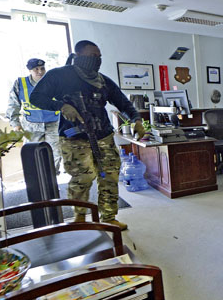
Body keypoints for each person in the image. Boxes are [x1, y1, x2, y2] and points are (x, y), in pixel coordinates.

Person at [30, 40, 145, 231]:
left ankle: (109, 217)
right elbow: (36, 97)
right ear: (79, 55)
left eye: (99, 57)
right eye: (93, 56)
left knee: (110, 176)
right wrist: (61, 106)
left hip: (104, 136)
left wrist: (136, 120)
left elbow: (123, 103)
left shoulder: (103, 81)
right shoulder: (59, 75)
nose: (97, 60)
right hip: (74, 138)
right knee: (82, 177)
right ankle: (80, 217)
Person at [6, 58, 62, 172]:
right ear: (30, 71)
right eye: (36, 69)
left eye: (42, 68)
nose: (40, 71)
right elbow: (13, 104)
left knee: (56, 153)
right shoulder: (20, 83)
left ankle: (52, 177)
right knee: (33, 153)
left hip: (53, 124)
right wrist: (15, 123)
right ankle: (37, 178)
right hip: (31, 125)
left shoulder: (54, 82)